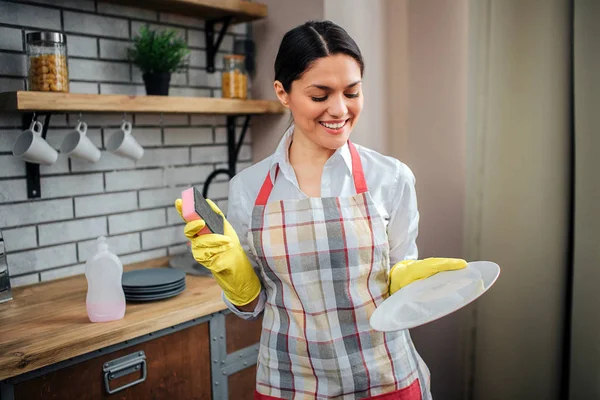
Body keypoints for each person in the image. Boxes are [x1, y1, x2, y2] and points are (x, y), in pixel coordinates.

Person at [175, 20, 466, 400]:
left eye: (352, 92)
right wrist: (234, 276)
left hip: (384, 378)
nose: (340, 109)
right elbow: (253, 306)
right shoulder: (249, 188)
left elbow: (397, 279)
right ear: (283, 92)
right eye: (320, 95)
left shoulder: (390, 178)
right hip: (288, 382)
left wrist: (409, 279)